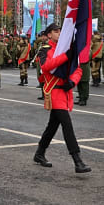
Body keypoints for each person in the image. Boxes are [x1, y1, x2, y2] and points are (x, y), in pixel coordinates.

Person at [34, 23, 91, 173]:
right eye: (55, 31)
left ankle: (39, 153)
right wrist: (65, 56)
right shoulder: (44, 50)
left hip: (65, 91)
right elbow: (46, 66)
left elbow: (77, 68)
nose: (59, 33)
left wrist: (73, 81)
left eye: (60, 31)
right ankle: (77, 161)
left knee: (52, 126)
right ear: (48, 35)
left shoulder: (67, 49)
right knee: (67, 125)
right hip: (54, 91)